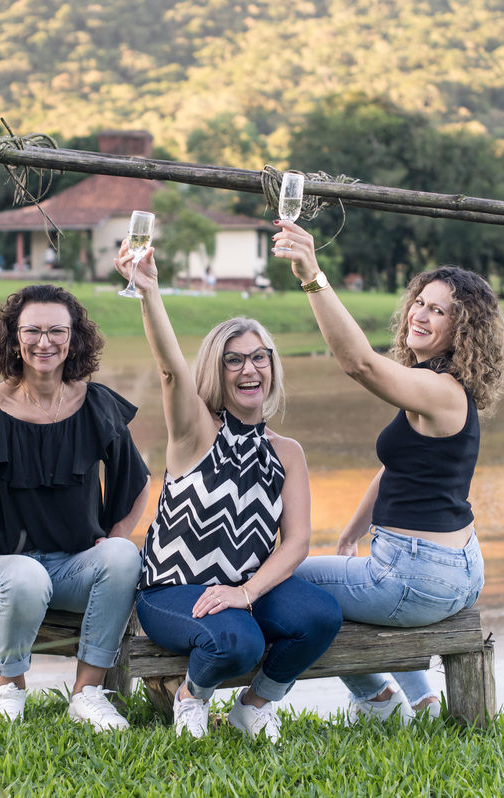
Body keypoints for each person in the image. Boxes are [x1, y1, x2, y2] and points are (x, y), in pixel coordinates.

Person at [272, 220, 504, 724]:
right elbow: (398, 467)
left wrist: (312, 275)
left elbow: (359, 362)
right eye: (420, 302)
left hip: (417, 575)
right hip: (458, 567)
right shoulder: (433, 384)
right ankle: (423, 703)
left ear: (461, 330)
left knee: (285, 585)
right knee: (325, 576)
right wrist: (351, 531)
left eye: (439, 310)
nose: (421, 315)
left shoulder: (440, 391)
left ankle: (378, 703)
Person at [114, 241, 343, 742]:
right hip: (173, 593)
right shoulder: (196, 431)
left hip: (243, 590)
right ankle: (190, 696)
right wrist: (149, 291)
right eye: (234, 361)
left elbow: (297, 543)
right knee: (236, 643)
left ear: (272, 365)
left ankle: (254, 705)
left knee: (321, 615)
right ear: (217, 370)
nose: (249, 370)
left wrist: (246, 592)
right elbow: (171, 369)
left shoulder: (288, 452)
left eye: (259, 358)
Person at [0, 283, 151, 731]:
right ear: (12, 338)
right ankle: (9, 688)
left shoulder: (95, 403)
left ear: (74, 337)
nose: (44, 342)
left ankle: (88, 692)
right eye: (32, 330)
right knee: (25, 575)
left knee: (124, 555)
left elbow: (137, 485)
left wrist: (113, 542)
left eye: (57, 331)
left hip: (72, 569)